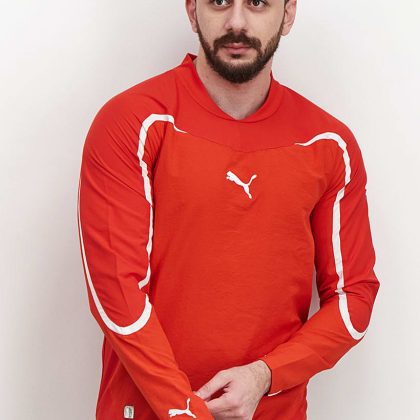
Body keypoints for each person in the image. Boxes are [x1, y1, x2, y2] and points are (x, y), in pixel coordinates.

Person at [77, 0, 380, 419]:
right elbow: (115, 292)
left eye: (257, 3)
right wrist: (184, 411)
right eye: (219, 1)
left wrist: (265, 375)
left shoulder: (329, 143)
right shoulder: (134, 119)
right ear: (192, 11)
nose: (236, 22)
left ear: (288, 14)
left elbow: (354, 297)